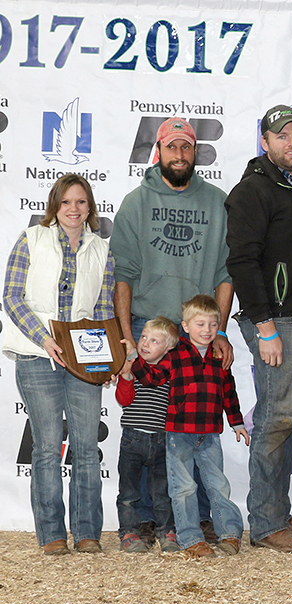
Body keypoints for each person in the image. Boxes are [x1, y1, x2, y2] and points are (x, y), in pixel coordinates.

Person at [112, 116, 233, 546]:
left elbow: (224, 273)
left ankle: (195, 519)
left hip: (196, 330)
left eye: (187, 148)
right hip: (150, 329)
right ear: (157, 151)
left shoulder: (217, 202)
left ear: (195, 152)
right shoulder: (135, 203)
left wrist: (215, 330)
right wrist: (129, 336)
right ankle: (144, 522)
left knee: (193, 427)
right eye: (172, 147)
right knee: (147, 429)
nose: (179, 155)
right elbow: (122, 275)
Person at [225, 104, 292, 553]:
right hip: (278, 320)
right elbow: (242, 260)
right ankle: (265, 523)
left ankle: (277, 510)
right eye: (282, 135)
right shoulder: (253, 190)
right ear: (264, 142)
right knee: (276, 418)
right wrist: (264, 324)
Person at [3, 174, 114, 555]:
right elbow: (13, 298)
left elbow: (102, 311)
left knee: (85, 447)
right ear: (55, 206)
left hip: (84, 359)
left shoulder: (102, 250)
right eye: (66, 202)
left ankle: (87, 533)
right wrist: (44, 338)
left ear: (90, 208)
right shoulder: (30, 240)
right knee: (48, 447)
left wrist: (106, 360)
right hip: (37, 356)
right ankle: (51, 535)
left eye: (81, 202)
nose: (73, 209)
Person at [129, 295, 249, 558]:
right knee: (183, 487)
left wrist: (237, 421)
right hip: (179, 433)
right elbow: (152, 379)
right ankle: (191, 538)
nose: (206, 330)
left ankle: (229, 533)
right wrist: (134, 359)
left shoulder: (219, 356)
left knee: (218, 485)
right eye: (200, 324)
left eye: (212, 324)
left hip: (210, 433)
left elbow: (228, 390)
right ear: (185, 326)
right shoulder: (175, 355)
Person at [115, 316, 180, 553]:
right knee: (129, 492)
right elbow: (124, 400)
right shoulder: (131, 367)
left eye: (154, 340)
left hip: (161, 439)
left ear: (169, 348)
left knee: (162, 492)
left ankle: (167, 532)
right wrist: (125, 378)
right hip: (133, 438)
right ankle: (129, 533)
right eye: (143, 336)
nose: (145, 343)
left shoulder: (169, 373)